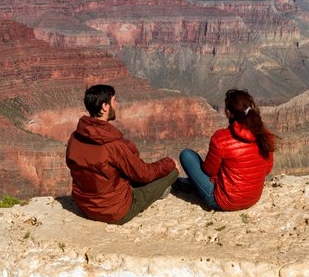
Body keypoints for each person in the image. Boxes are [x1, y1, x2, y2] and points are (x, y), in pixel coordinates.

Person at [66, 84, 178, 224]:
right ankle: (162, 189)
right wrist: (169, 163)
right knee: (172, 173)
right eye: (114, 100)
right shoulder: (113, 145)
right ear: (105, 107)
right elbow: (143, 174)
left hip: (85, 207)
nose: (117, 104)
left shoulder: (75, 137)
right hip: (115, 212)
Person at [176, 89, 275, 211]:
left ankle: (187, 185)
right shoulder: (265, 135)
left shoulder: (221, 138)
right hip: (252, 199)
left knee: (187, 155)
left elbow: (209, 172)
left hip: (223, 201)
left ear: (228, 112)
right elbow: (267, 169)